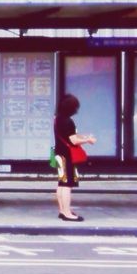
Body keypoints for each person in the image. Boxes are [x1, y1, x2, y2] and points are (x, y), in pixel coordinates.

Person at [54, 93, 96, 222]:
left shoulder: (57, 118)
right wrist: (88, 140)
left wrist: (83, 138)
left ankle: (62, 210)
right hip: (67, 155)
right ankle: (67, 213)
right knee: (68, 185)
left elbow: (67, 137)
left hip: (58, 153)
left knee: (61, 183)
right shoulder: (68, 121)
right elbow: (73, 140)